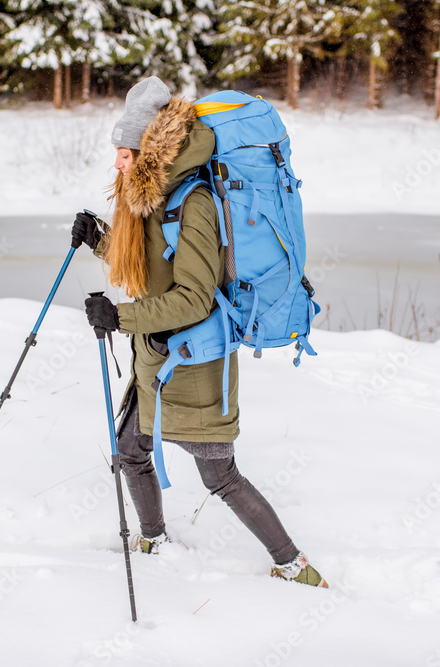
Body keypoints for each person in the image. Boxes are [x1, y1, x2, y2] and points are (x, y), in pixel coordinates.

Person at [72, 77, 326, 588]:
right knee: (128, 449)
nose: (117, 162)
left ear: (147, 152)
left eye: (124, 152)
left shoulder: (194, 204)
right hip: (157, 359)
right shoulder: (150, 198)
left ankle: (293, 564)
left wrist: (119, 318)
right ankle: (152, 539)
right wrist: (101, 240)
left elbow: (192, 298)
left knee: (220, 475)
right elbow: (148, 267)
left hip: (192, 361)